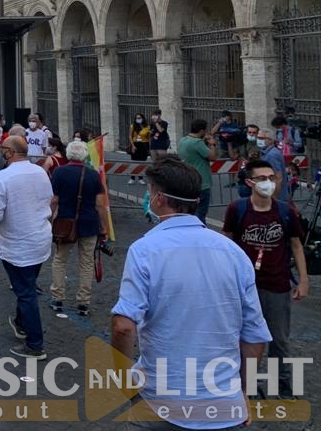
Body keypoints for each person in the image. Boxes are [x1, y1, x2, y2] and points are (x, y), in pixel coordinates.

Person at [111, 155, 272, 429]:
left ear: (158, 198)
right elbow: (254, 337)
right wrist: (242, 392)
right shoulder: (234, 254)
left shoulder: (145, 250)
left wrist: (124, 381)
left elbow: (123, 327)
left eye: (149, 192)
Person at [223, 159, 309, 399]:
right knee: (242, 337)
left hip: (277, 284)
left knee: (279, 340)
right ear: (250, 182)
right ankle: (245, 385)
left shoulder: (285, 211)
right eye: (262, 178)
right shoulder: (237, 209)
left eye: (272, 177)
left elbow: (296, 245)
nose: (268, 183)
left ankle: (281, 384)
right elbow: (226, 242)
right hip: (243, 286)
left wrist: (303, 280)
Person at [0, 135, 52, 359]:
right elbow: (48, 199)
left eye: (2, 150)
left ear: (8, 153)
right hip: (40, 240)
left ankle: (35, 344)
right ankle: (22, 324)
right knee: (28, 286)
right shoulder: (40, 172)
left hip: (17, 244)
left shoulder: (2, 178)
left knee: (26, 293)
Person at [49, 140, 110, 316]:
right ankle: (83, 302)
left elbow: (54, 200)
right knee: (86, 263)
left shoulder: (59, 172)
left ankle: (57, 297)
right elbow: (100, 205)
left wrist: (49, 219)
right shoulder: (92, 175)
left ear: (69, 154)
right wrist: (103, 227)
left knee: (60, 260)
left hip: (65, 223)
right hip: (89, 223)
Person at [177, 119, 217, 224]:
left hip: (188, 180)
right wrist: (212, 144)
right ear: (202, 130)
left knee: (189, 212)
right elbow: (212, 157)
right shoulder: (197, 143)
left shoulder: (183, 140)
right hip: (201, 182)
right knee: (200, 214)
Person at [255, 129, 288, 201]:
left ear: (271, 140)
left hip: (275, 196)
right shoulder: (265, 153)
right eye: (258, 137)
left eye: (262, 138)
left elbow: (278, 178)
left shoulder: (272, 155)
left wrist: (274, 198)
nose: (258, 140)